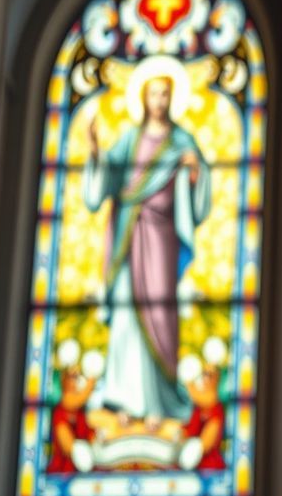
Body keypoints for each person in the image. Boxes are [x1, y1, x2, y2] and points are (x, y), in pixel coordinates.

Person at [84, 66, 211, 430]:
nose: (159, 100)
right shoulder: (130, 138)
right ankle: (122, 400)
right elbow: (108, 178)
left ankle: (158, 403)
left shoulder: (182, 141)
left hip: (161, 239)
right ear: (143, 97)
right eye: (153, 93)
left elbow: (198, 187)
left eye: (165, 94)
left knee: (160, 314)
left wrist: (194, 172)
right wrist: (94, 147)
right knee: (126, 317)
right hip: (129, 233)